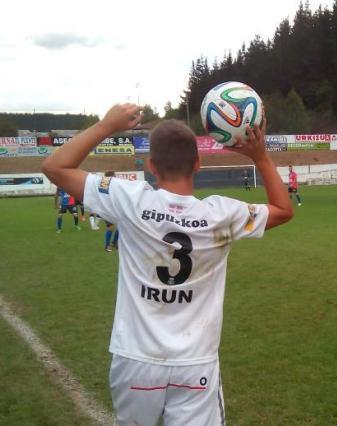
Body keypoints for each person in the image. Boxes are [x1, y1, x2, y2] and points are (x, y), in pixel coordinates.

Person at [41, 103, 293, 425]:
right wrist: (260, 157)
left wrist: (106, 126)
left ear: (151, 166)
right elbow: (283, 209)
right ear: (198, 164)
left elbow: (55, 167)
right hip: (195, 363)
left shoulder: (130, 199)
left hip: (135, 359)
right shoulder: (221, 214)